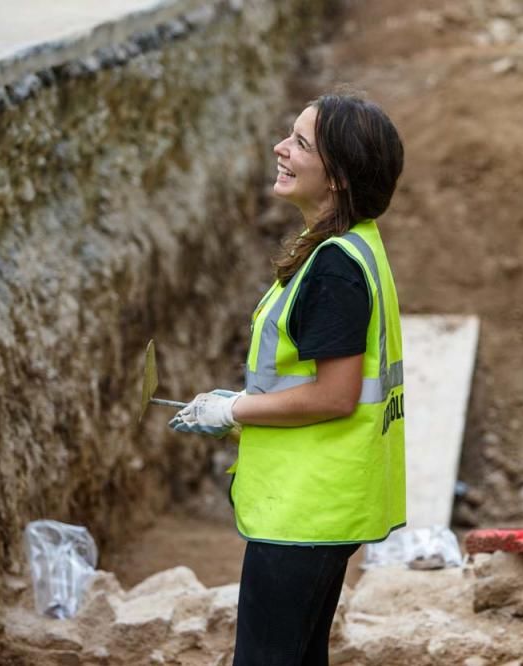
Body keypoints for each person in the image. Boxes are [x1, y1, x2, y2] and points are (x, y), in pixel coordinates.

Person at [167, 93, 407, 666]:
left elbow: (335, 394)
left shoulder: (335, 267)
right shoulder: (348, 248)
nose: (281, 148)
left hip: (308, 506)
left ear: (339, 179)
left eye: (301, 143)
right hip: (316, 500)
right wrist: (240, 406)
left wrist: (232, 410)